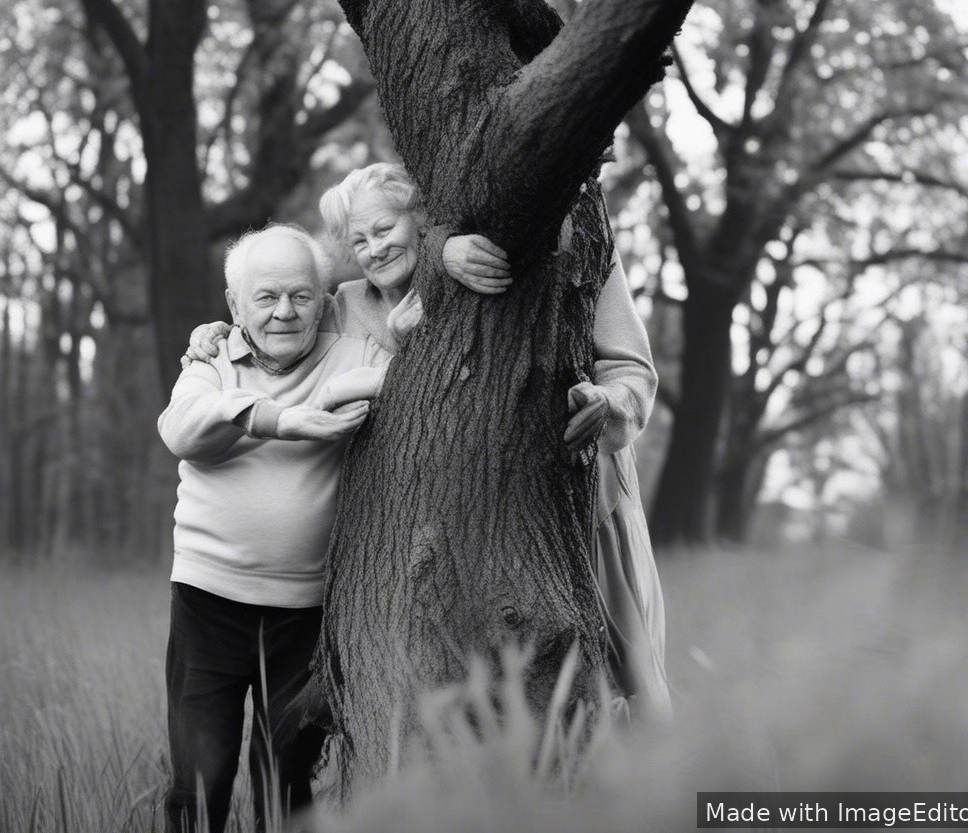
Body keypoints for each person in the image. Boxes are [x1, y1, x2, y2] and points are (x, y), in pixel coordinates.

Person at [188, 163, 671, 718]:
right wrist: (219, 334)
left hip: (576, 494)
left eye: (383, 229)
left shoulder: (555, 254)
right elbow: (278, 318)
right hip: (444, 532)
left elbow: (632, 371)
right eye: (357, 240)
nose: (371, 249)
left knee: (617, 663)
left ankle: (643, 778)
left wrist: (607, 404)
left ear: (424, 221)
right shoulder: (346, 306)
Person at [158, 225, 391, 833]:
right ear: (235, 306)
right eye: (265, 298)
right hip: (207, 605)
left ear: (324, 298)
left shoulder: (353, 353)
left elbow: (418, 382)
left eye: (301, 295)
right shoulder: (210, 360)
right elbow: (181, 430)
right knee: (197, 783)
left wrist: (344, 388)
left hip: (305, 614)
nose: (284, 312)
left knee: (287, 782)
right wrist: (282, 421)